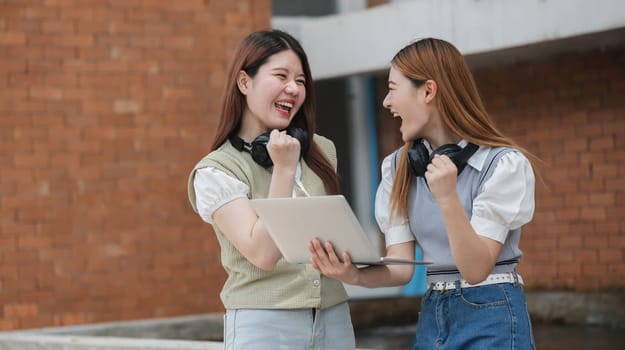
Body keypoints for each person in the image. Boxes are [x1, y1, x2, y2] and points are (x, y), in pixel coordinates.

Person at [309, 37, 537, 350]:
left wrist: (448, 199)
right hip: (433, 315)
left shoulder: (502, 165)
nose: (387, 102)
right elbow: (400, 268)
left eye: (392, 88)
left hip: (493, 311)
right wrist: (354, 275)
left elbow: (475, 269)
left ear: (428, 91)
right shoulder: (398, 168)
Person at [187, 29, 355, 349]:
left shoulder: (322, 150)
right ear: (244, 82)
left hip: (334, 315)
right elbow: (263, 254)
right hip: (264, 322)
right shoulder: (216, 170)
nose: (293, 88)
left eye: (301, 81)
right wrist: (284, 170)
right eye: (281, 76)